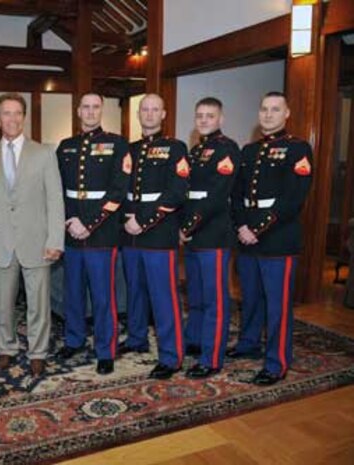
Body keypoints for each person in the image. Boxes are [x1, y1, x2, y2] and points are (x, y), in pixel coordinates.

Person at [0, 92, 65, 377]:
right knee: (4, 304)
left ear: (23, 117)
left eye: (16, 113)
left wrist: (55, 240)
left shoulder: (44, 153)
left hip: (37, 242)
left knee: (39, 304)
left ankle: (37, 352)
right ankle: (7, 348)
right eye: (6, 113)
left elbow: (55, 200)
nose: (11, 118)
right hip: (0, 244)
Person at [228, 91, 313, 385]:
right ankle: (249, 344)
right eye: (264, 109)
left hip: (277, 239)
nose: (268, 114)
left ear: (286, 113)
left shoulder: (298, 149)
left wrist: (257, 228)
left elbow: (293, 199)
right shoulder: (249, 151)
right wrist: (241, 225)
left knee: (278, 305)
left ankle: (277, 362)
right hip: (247, 236)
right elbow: (237, 194)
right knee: (250, 298)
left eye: (275, 110)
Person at [55, 92, 130, 375]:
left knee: (102, 296)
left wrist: (90, 222)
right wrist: (69, 220)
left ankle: (105, 350)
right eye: (85, 107)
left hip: (102, 234)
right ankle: (73, 340)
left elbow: (118, 191)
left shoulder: (117, 144)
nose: (90, 112)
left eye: (95, 107)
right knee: (72, 292)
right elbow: (58, 189)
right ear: (78, 111)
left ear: (102, 110)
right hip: (72, 232)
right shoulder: (66, 146)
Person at [120, 93, 189, 380]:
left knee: (164, 298)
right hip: (130, 235)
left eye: (154, 110)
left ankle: (171, 356)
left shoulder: (176, 148)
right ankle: (136, 338)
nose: (149, 114)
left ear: (163, 114)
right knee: (134, 292)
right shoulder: (130, 149)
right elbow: (120, 188)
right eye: (144, 109)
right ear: (139, 114)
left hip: (158, 234)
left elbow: (177, 192)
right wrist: (127, 221)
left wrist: (143, 220)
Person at [180, 97, 241, 379]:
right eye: (200, 115)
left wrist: (187, 227)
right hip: (193, 237)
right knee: (196, 295)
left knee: (215, 298)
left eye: (210, 116)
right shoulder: (195, 151)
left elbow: (216, 197)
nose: (204, 120)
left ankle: (212, 357)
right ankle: (196, 341)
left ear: (221, 119)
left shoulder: (226, 149)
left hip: (213, 235)